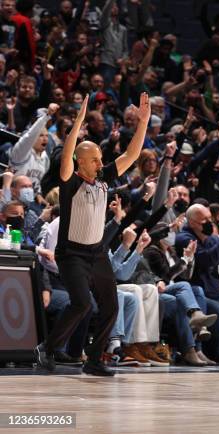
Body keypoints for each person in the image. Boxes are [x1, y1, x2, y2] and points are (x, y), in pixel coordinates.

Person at [34, 92, 151, 376]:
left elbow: (132, 155)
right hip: (71, 253)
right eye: (95, 159)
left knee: (111, 306)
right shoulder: (70, 182)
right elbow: (66, 157)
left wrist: (143, 122)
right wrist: (78, 123)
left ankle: (94, 360)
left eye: (100, 159)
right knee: (82, 303)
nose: (101, 163)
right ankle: (47, 349)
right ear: (81, 162)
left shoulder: (104, 178)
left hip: (96, 252)